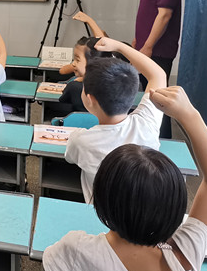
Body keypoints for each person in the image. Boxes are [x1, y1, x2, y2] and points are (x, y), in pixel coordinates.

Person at [44, 86, 207, 271]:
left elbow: (50, 265)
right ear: (174, 209)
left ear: (101, 200)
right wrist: (190, 115)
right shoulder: (188, 252)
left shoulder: (77, 249)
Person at [64, 37, 166, 203]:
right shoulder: (147, 123)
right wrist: (120, 46)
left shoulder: (81, 140)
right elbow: (158, 74)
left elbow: (70, 157)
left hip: (100, 218)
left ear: (89, 99)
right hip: (141, 216)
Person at [134, 0, 182, 137]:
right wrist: (139, 41)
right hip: (147, 48)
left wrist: (148, 46)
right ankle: (150, 139)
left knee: (158, 98)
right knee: (148, 96)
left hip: (157, 51)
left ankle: (162, 143)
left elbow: (164, 16)